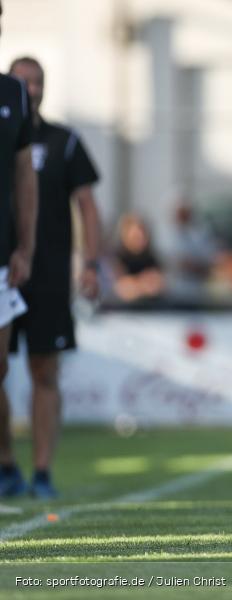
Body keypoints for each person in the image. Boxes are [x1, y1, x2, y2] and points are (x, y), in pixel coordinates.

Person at [0, 57, 102, 499]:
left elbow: (88, 206)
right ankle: (6, 464)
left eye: (39, 81)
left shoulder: (65, 141)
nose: (33, 88)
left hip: (46, 273)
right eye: (25, 81)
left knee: (45, 369)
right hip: (4, 270)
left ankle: (41, 472)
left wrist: (92, 263)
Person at [0, 3, 40, 498]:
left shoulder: (12, 94)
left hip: (1, 253)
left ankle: (6, 460)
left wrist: (25, 246)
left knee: (1, 368)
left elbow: (24, 175)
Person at [112, 213, 165, 302]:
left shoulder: (151, 257)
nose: (140, 239)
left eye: (142, 235)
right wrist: (142, 284)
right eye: (135, 237)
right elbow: (120, 288)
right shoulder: (117, 258)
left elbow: (160, 284)